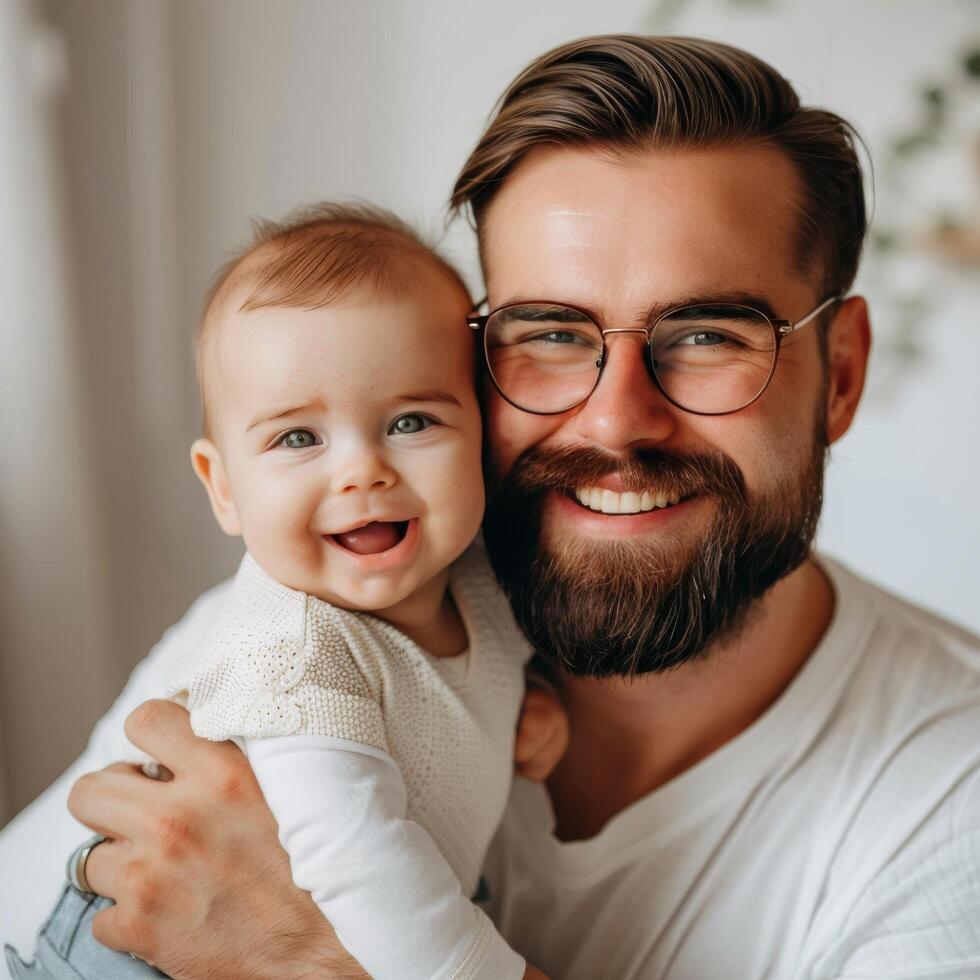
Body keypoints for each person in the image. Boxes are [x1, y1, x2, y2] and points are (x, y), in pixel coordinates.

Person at [3, 33, 980, 980]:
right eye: (550, 332)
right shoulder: (324, 615)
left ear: (840, 372)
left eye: (706, 333)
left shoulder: (949, 791)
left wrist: (313, 958)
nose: (616, 417)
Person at [6, 204, 566, 979]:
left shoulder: (477, 580)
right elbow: (358, 866)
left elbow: (439, 692)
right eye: (298, 438)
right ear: (225, 488)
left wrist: (518, 702)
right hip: (136, 951)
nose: (362, 470)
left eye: (411, 421)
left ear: (484, 431)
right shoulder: (294, 654)